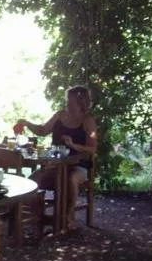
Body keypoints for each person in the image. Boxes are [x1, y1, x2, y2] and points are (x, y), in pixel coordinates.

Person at [16, 85, 98, 230]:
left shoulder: (88, 120)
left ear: (81, 103)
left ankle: (68, 217)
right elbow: (42, 130)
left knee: (70, 180)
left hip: (79, 165)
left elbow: (93, 148)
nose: (67, 104)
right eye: (67, 101)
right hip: (55, 164)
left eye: (71, 101)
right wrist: (27, 123)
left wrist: (73, 145)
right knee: (33, 181)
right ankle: (39, 216)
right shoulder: (60, 115)